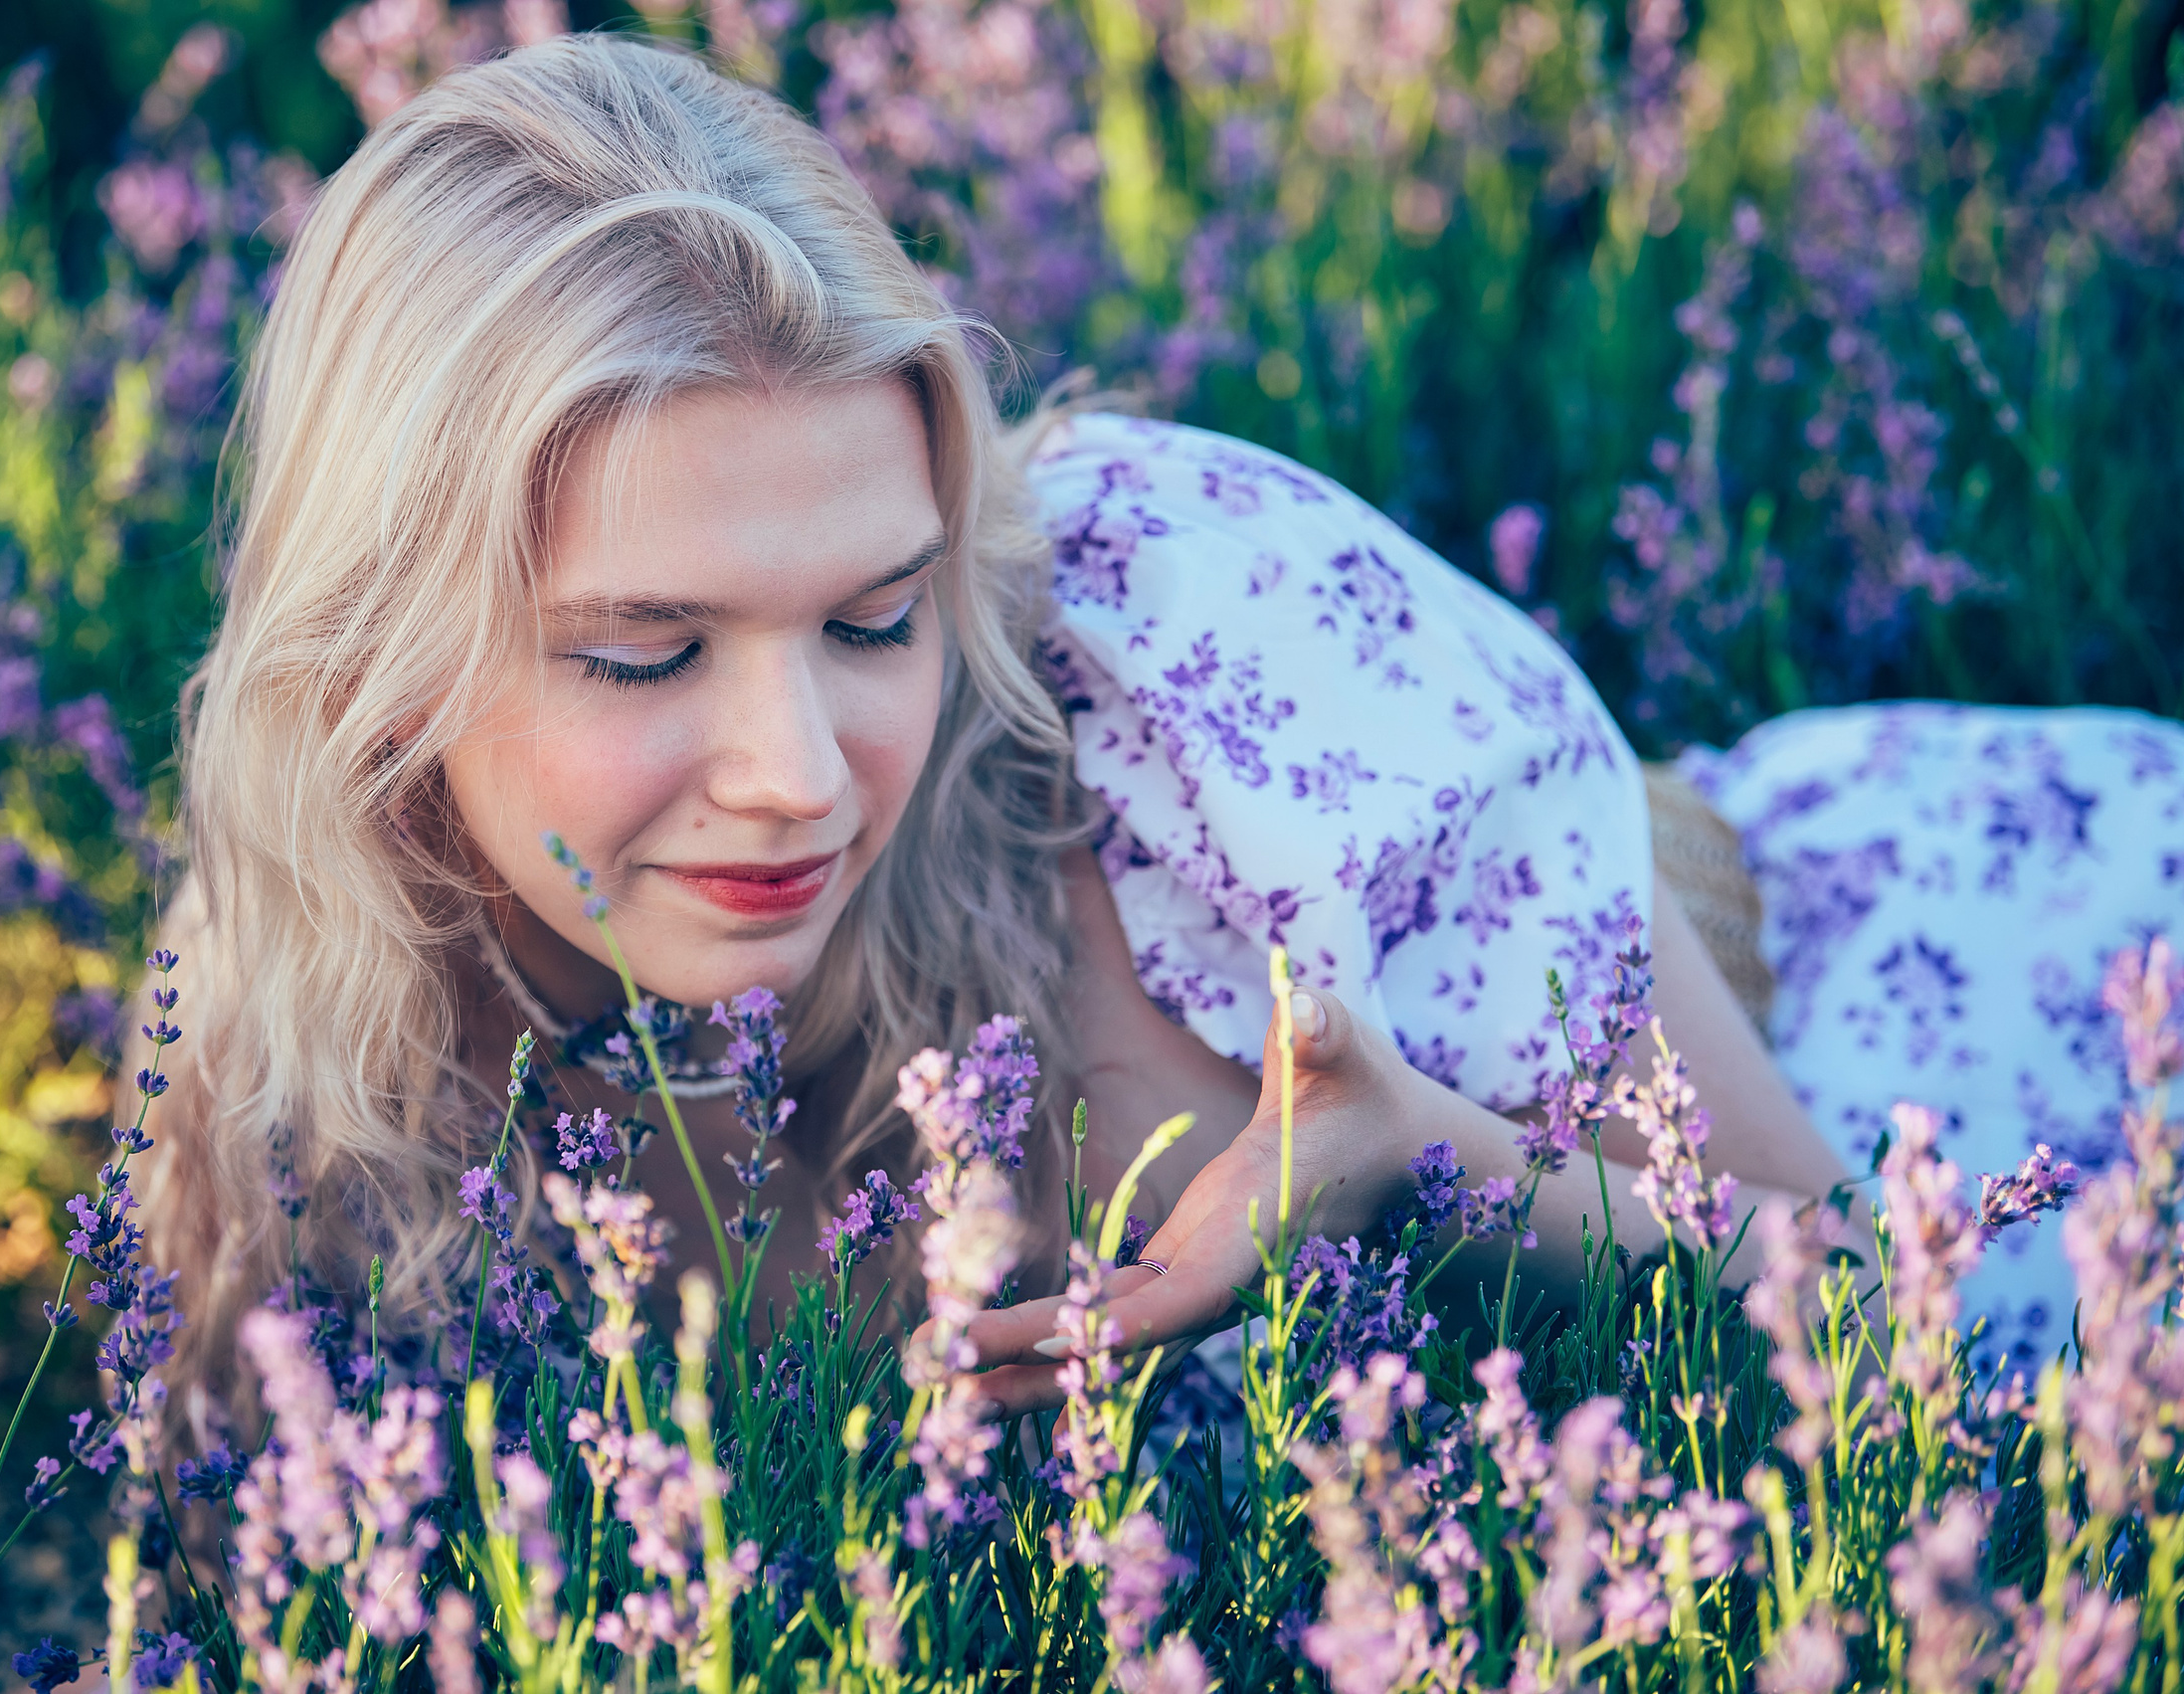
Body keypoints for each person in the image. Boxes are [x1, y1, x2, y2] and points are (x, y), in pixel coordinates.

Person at [134, 32, 2179, 1429]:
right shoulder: (299, 991)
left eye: (874, 616)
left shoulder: (1178, 660)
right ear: (380, 659)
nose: (795, 768)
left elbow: (1877, 1313)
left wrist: (1436, 1167)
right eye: (641, 654)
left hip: (1986, 1015)